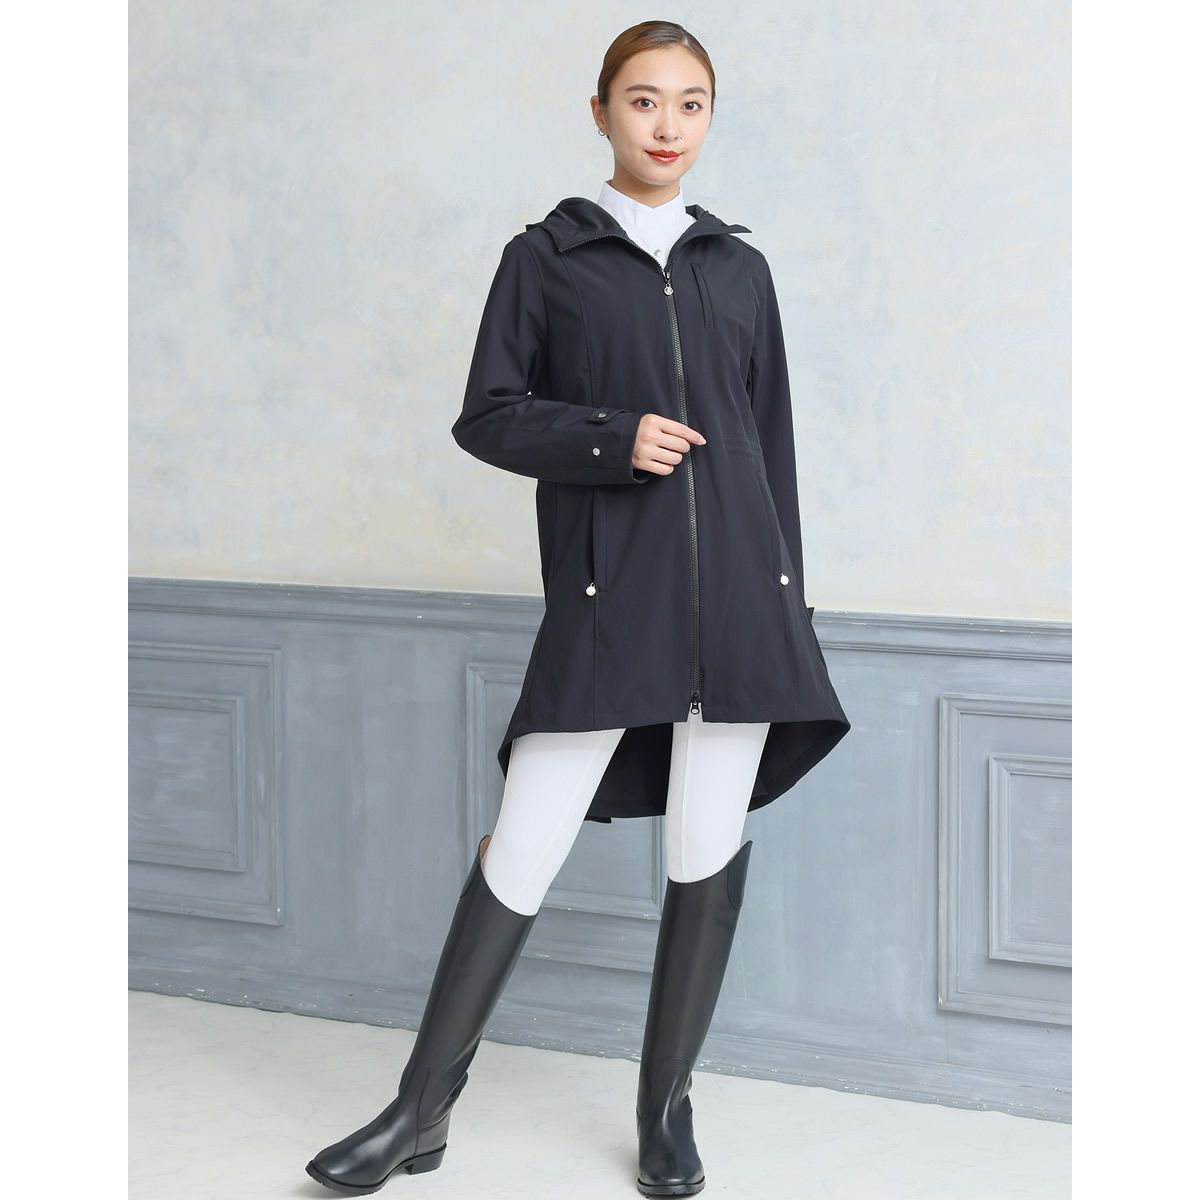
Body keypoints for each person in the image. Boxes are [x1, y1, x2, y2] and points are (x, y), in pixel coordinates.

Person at [305, 19, 850, 1198]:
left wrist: (789, 608)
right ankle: (416, 1112)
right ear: (601, 111)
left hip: (742, 610)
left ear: (709, 118)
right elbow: (489, 415)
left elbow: (771, 453)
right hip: (614, 601)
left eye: (692, 103)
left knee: (705, 845)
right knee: (527, 840)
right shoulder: (545, 259)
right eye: (645, 100)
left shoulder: (739, 269)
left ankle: (665, 1113)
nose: (668, 125)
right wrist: (612, 437)